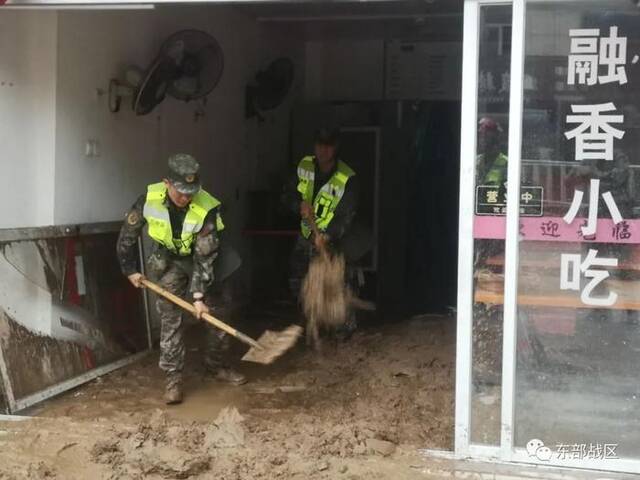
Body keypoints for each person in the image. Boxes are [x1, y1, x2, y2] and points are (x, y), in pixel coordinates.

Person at [116, 153, 246, 405]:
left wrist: (198, 296)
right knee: (170, 317)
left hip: (209, 260)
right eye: (181, 192)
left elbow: (204, 257)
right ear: (167, 183)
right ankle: (173, 379)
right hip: (172, 259)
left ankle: (215, 367)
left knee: (217, 315)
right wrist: (130, 268)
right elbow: (127, 235)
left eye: (191, 192)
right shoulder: (149, 199)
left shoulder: (206, 207)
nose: (186, 197)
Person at [282, 127, 361, 338]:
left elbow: (346, 215)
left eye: (328, 146)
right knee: (298, 281)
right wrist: (297, 204)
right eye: (320, 145)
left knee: (337, 284)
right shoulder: (304, 166)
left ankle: (343, 330)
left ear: (336, 148)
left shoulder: (346, 177)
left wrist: (328, 235)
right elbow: (286, 194)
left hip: (333, 240)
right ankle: (310, 324)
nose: (323, 151)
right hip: (306, 235)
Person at [477, 117, 508, 186]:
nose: (482, 139)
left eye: (485, 136)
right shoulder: (476, 161)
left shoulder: (506, 162)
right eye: (481, 136)